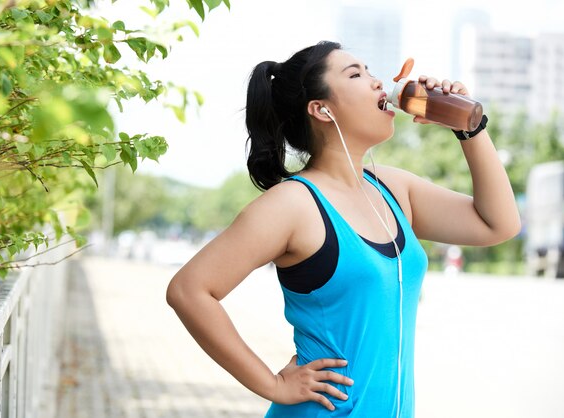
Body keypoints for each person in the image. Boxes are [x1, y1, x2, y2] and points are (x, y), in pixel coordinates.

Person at [166, 41, 521, 418]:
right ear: (321, 109)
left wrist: (470, 127)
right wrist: (272, 384)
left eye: (370, 71)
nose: (377, 83)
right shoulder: (293, 204)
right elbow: (189, 290)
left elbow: (498, 224)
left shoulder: (394, 189)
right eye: (356, 74)